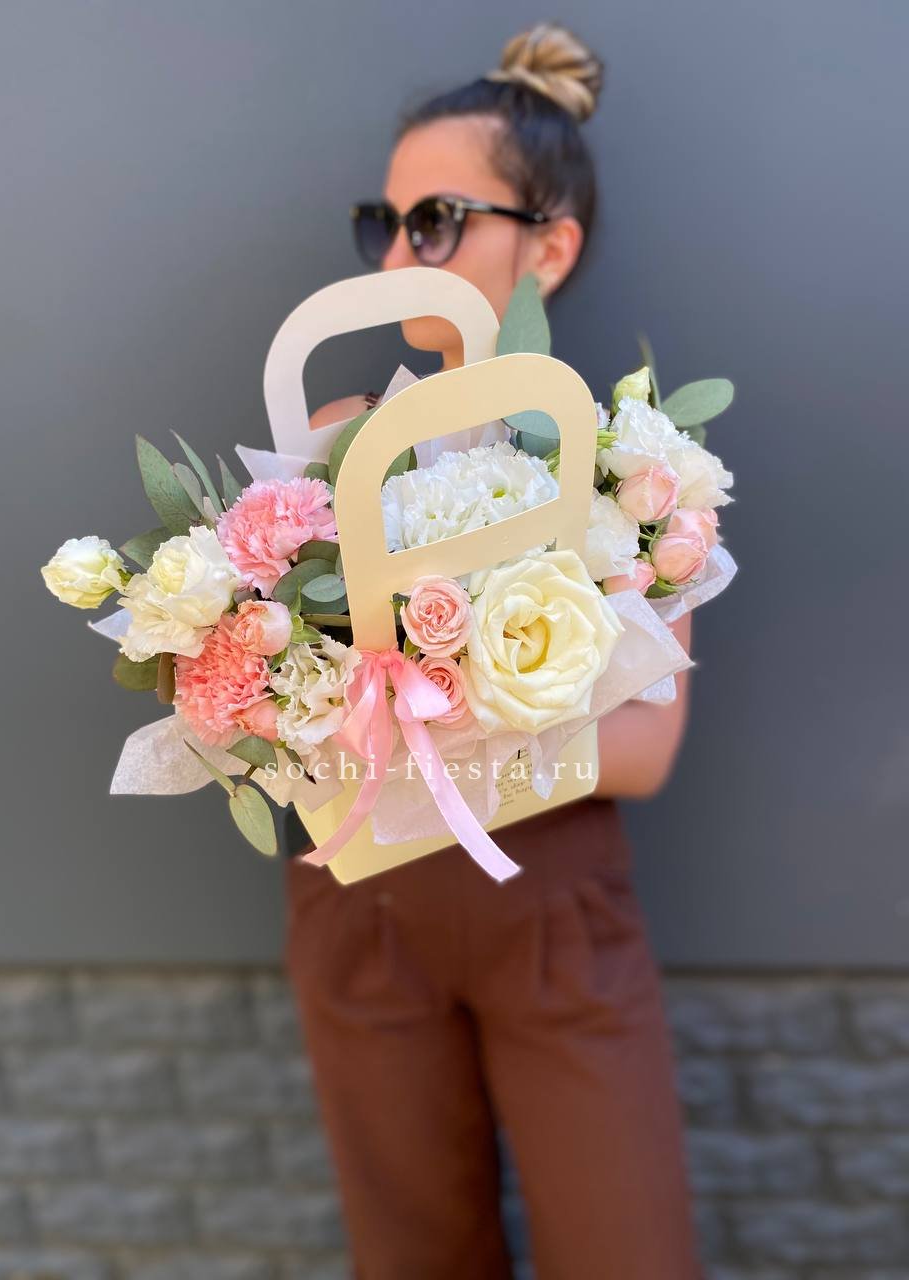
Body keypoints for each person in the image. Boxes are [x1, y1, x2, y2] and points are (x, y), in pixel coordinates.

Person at [282, 22, 703, 1280]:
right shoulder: (333, 443)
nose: (397, 256)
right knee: (409, 1253)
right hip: (365, 902)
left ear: (548, 246)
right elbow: (285, 697)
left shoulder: (635, 466)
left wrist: (432, 717)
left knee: (626, 1249)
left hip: (554, 903)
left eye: (437, 221)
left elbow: (649, 746)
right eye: (386, 221)